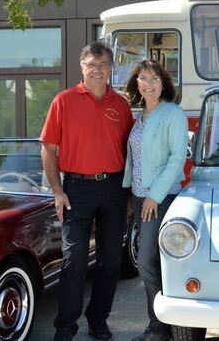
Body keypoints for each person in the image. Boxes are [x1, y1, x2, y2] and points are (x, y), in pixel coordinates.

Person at [41, 41, 134, 341]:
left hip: (113, 189)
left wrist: (130, 194)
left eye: (103, 65)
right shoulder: (64, 101)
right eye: (91, 65)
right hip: (76, 190)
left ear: (110, 69)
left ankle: (98, 320)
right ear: (82, 67)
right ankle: (65, 327)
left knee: (110, 261)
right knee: (74, 261)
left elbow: (132, 153)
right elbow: (48, 149)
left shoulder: (120, 105)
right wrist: (57, 191)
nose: (97, 70)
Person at [122, 59, 188, 341]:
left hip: (160, 198)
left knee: (148, 260)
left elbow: (177, 159)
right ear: (136, 83)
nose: (149, 84)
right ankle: (164, 325)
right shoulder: (141, 116)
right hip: (138, 198)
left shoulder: (172, 113)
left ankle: (160, 328)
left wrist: (153, 197)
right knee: (151, 260)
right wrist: (130, 194)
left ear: (164, 83)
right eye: (144, 78)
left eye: (155, 79)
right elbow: (135, 161)